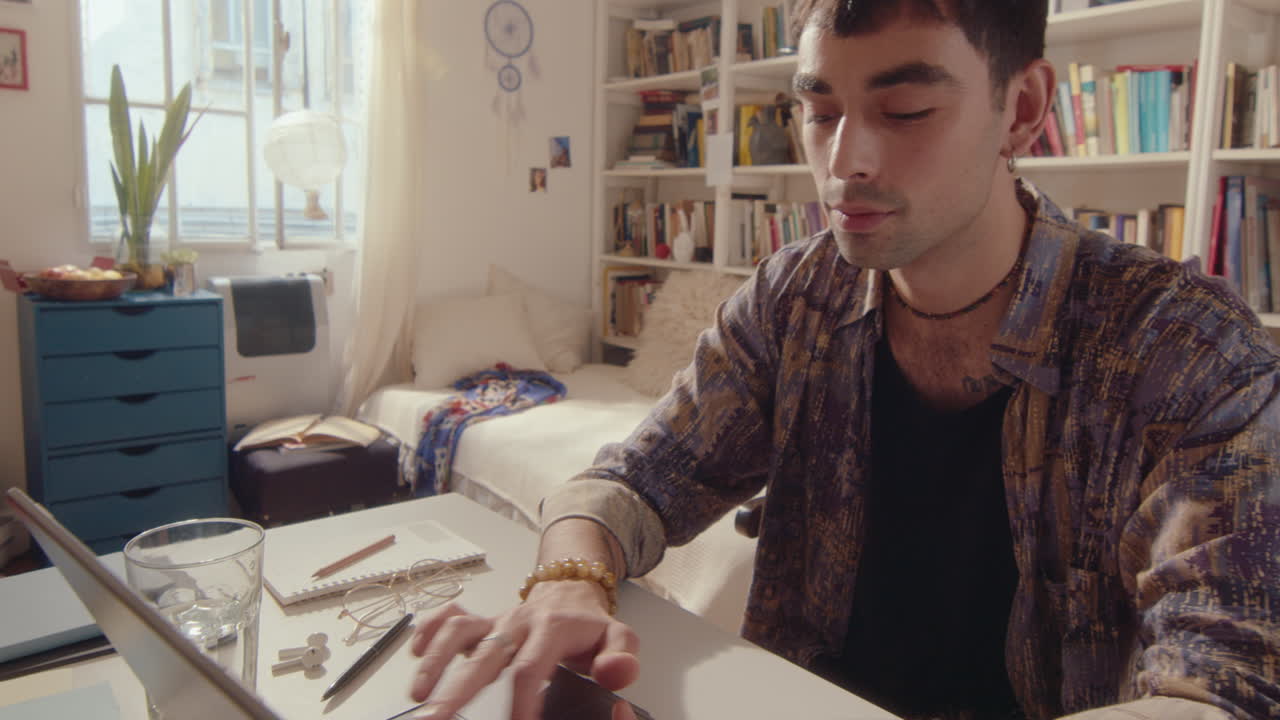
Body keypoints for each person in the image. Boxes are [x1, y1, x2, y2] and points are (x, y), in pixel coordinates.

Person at [407, 1, 1280, 718]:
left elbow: (1226, 686)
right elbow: (637, 479)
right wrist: (568, 579)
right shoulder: (796, 300)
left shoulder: (1183, 349)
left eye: (904, 112)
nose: (841, 162)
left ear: (1021, 107)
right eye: (820, 110)